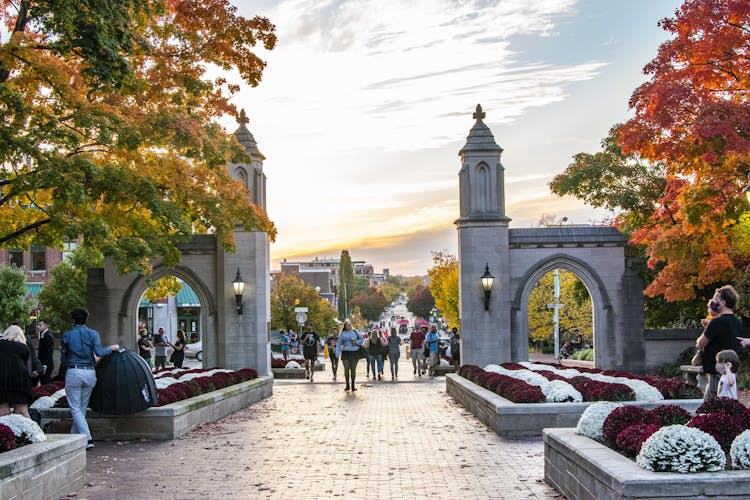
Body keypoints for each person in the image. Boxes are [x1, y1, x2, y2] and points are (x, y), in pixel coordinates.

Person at [61, 308, 119, 449]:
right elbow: (99, 352)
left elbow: (63, 358)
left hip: (74, 371)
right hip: (90, 373)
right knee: (80, 408)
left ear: (73, 320)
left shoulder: (67, 335)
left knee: (75, 408)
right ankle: (74, 438)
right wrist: (112, 348)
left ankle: (87, 439)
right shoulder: (93, 333)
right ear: (86, 319)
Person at [696, 285, 742, 400]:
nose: (713, 302)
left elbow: (700, 343)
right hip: (731, 370)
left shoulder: (716, 322)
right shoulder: (737, 322)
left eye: (716, 300)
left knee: (710, 406)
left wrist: (709, 325)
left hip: (717, 370)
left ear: (723, 302)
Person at [0, 325, 33, 418]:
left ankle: (3, 431)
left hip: (2, 379)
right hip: (20, 380)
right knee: (22, 411)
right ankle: (28, 431)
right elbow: (28, 367)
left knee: (2, 411)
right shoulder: (24, 347)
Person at [335, 320, 364, 392]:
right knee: (346, 369)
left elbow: (362, 339)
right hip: (345, 352)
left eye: (350, 324)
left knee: (353, 369)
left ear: (351, 325)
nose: (348, 326)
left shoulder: (355, 332)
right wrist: (337, 353)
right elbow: (338, 344)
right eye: (347, 325)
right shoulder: (342, 334)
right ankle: (347, 384)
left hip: (354, 352)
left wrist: (356, 342)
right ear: (345, 326)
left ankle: (353, 385)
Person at [36, 320, 55, 385]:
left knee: (45, 385)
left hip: (46, 365)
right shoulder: (43, 334)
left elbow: (48, 352)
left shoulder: (48, 336)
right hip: (42, 364)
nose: (38, 327)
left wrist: (45, 366)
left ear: (46, 326)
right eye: (38, 325)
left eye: (40, 325)